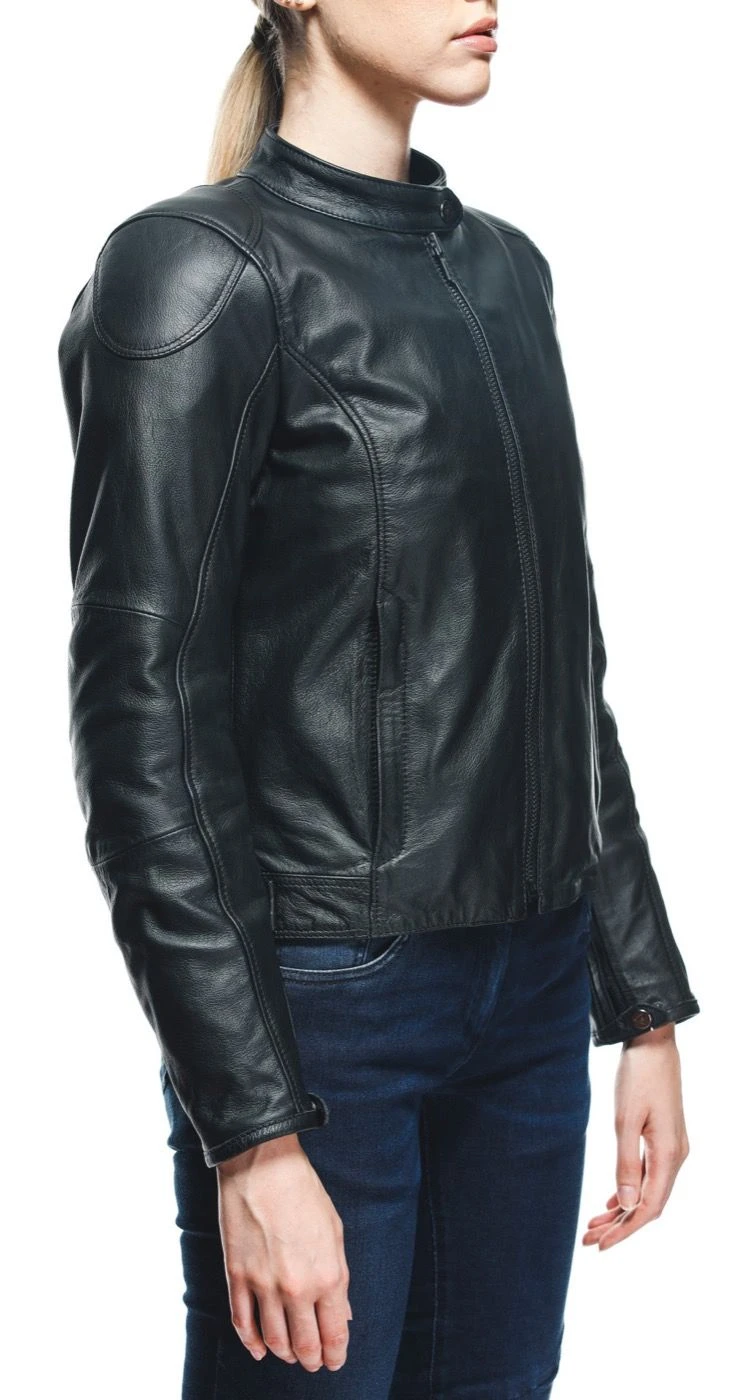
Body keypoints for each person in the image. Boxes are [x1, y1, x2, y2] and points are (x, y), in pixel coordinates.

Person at [57, 3, 701, 1396]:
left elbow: (561, 669)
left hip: (533, 996)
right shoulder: (193, 273)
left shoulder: (507, 273)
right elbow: (142, 727)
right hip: (326, 1011)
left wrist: (638, 1006)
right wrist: (253, 1132)